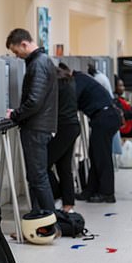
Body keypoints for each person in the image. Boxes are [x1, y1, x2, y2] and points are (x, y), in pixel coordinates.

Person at [5, 28, 58, 214]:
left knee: (38, 177)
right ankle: (39, 217)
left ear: (24, 44)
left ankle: (50, 220)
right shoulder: (43, 61)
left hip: (36, 128)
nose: (17, 56)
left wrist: (15, 114)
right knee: (37, 177)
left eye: (16, 51)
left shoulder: (38, 64)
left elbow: (34, 101)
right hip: (42, 126)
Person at [70, 67, 122, 203]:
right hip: (105, 116)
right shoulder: (83, 79)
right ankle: (90, 190)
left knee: (102, 157)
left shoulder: (78, 80)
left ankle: (107, 193)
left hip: (104, 117)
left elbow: (72, 100)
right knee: (95, 155)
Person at [47, 66, 80, 213]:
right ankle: (68, 203)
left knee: (43, 165)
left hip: (64, 128)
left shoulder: (56, 85)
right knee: (64, 167)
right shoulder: (68, 81)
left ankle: (57, 194)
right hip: (72, 126)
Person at [114, 78, 132, 159]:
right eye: (120, 86)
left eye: (123, 86)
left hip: (129, 123)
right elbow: (122, 115)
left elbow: (130, 109)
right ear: (115, 87)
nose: (123, 88)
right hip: (122, 127)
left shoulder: (121, 99)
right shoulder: (115, 100)